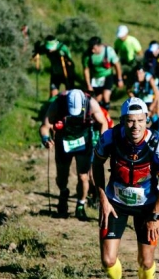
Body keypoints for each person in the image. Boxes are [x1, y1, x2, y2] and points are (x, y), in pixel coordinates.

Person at [93, 97, 159, 279]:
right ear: (122, 120)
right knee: (107, 259)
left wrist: (155, 215)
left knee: (146, 261)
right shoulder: (110, 138)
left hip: (147, 207)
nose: (135, 126)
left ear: (147, 119)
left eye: (140, 120)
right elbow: (97, 165)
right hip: (115, 203)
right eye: (130, 121)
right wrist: (102, 198)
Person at [40, 89, 109, 219]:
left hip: (84, 142)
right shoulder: (57, 104)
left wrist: (102, 141)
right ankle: (63, 192)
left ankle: (80, 204)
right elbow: (45, 126)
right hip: (63, 143)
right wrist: (45, 139)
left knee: (83, 177)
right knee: (62, 177)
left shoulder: (91, 103)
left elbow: (103, 122)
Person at [83, 36, 124, 111]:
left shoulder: (108, 51)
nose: (92, 51)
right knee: (97, 99)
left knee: (106, 96)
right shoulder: (87, 55)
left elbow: (117, 65)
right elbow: (86, 70)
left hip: (107, 75)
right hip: (95, 77)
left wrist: (119, 79)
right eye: (91, 48)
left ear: (99, 46)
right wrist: (88, 84)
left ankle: (106, 115)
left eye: (94, 49)